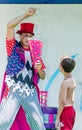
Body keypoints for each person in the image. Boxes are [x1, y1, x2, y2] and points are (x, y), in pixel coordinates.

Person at [0, 7, 46, 130]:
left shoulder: (36, 52)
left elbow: (43, 76)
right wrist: (26, 14)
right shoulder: (13, 47)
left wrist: (40, 69)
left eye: (30, 35)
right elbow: (10, 25)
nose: (28, 38)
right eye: (25, 35)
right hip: (14, 89)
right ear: (20, 36)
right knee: (4, 121)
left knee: (38, 124)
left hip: (30, 91)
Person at [55, 56, 76, 130]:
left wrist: (57, 118)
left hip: (66, 111)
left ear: (62, 68)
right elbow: (72, 99)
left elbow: (63, 102)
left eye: (60, 64)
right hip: (71, 110)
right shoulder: (72, 80)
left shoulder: (65, 83)